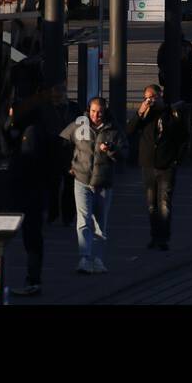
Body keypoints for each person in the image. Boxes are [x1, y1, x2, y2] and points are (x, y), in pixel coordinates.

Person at [60, 97, 127, 274]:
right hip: (82, 179)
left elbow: (125, 152)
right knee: (83, 220)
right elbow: (62, 142)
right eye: (93, 111)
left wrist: (111, 150)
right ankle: (85, 258)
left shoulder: (113, 128)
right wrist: (69, 165)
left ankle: (97, 259)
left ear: (105, 112)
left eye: (99, 112)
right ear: (88, 110)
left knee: (100, 223)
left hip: (103, 182)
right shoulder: (79, 124)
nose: (95, 116)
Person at [3, 77, 54, 296]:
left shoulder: (30, 134)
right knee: (31, 237)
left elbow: (27, 161)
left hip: (29, 193)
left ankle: (33, 279)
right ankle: (32, 279)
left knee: (31, 237)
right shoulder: (32, 129)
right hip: (32, 191)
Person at [127, 85, 188, 251]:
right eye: (146, 97)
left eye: (152, 97)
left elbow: (183, 137)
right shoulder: (146, 115)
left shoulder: (171, 113)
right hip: (148, 164)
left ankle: (163, 238)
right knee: (151, 204)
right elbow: (129, 130)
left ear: (161, 95)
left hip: (166, 165)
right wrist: (140, 112)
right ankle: (154, 236)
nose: (149, 100)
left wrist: (177, 160)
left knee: (164, 203)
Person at [47, 83, 81, 226]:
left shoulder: (73, 108)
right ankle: (53, 214)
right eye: (54, 97)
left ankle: (67, 216)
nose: (56, 99)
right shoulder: (46, 109)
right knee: (52, 187)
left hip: (70, 152)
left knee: (70, 187)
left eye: (59, 96)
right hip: (52, 152)